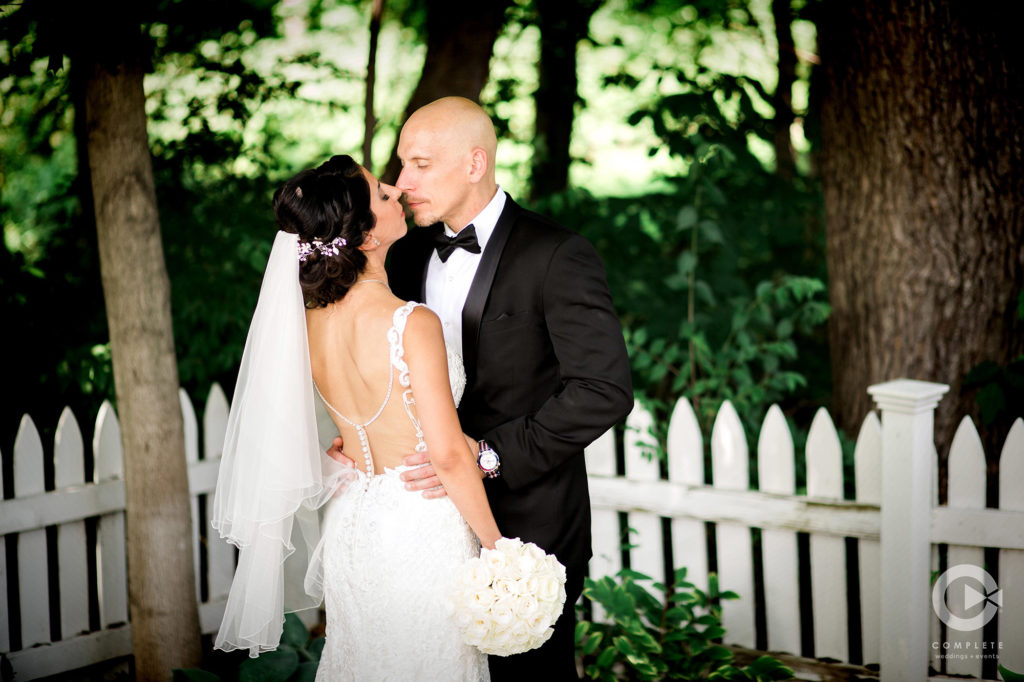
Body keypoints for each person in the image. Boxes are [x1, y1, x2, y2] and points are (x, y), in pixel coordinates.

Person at [332, 97, 634, 680]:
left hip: (528, 525)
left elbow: (602, 388)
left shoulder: (557, 254)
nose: (402, 182)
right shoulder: (404, 251)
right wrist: (357, 431)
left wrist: (491, 455)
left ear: (474, 164)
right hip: (421, 528)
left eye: (420, 164)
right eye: (400, 164)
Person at [212, 154, 499, 681]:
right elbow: (450, 457)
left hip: (352, 527)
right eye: (384, 194)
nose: (397, 192)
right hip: (422, 528)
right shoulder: (412, 322)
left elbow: (335, 426)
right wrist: (500, 551)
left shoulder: (307, 323)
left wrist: (350, 442)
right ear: (365, 237)